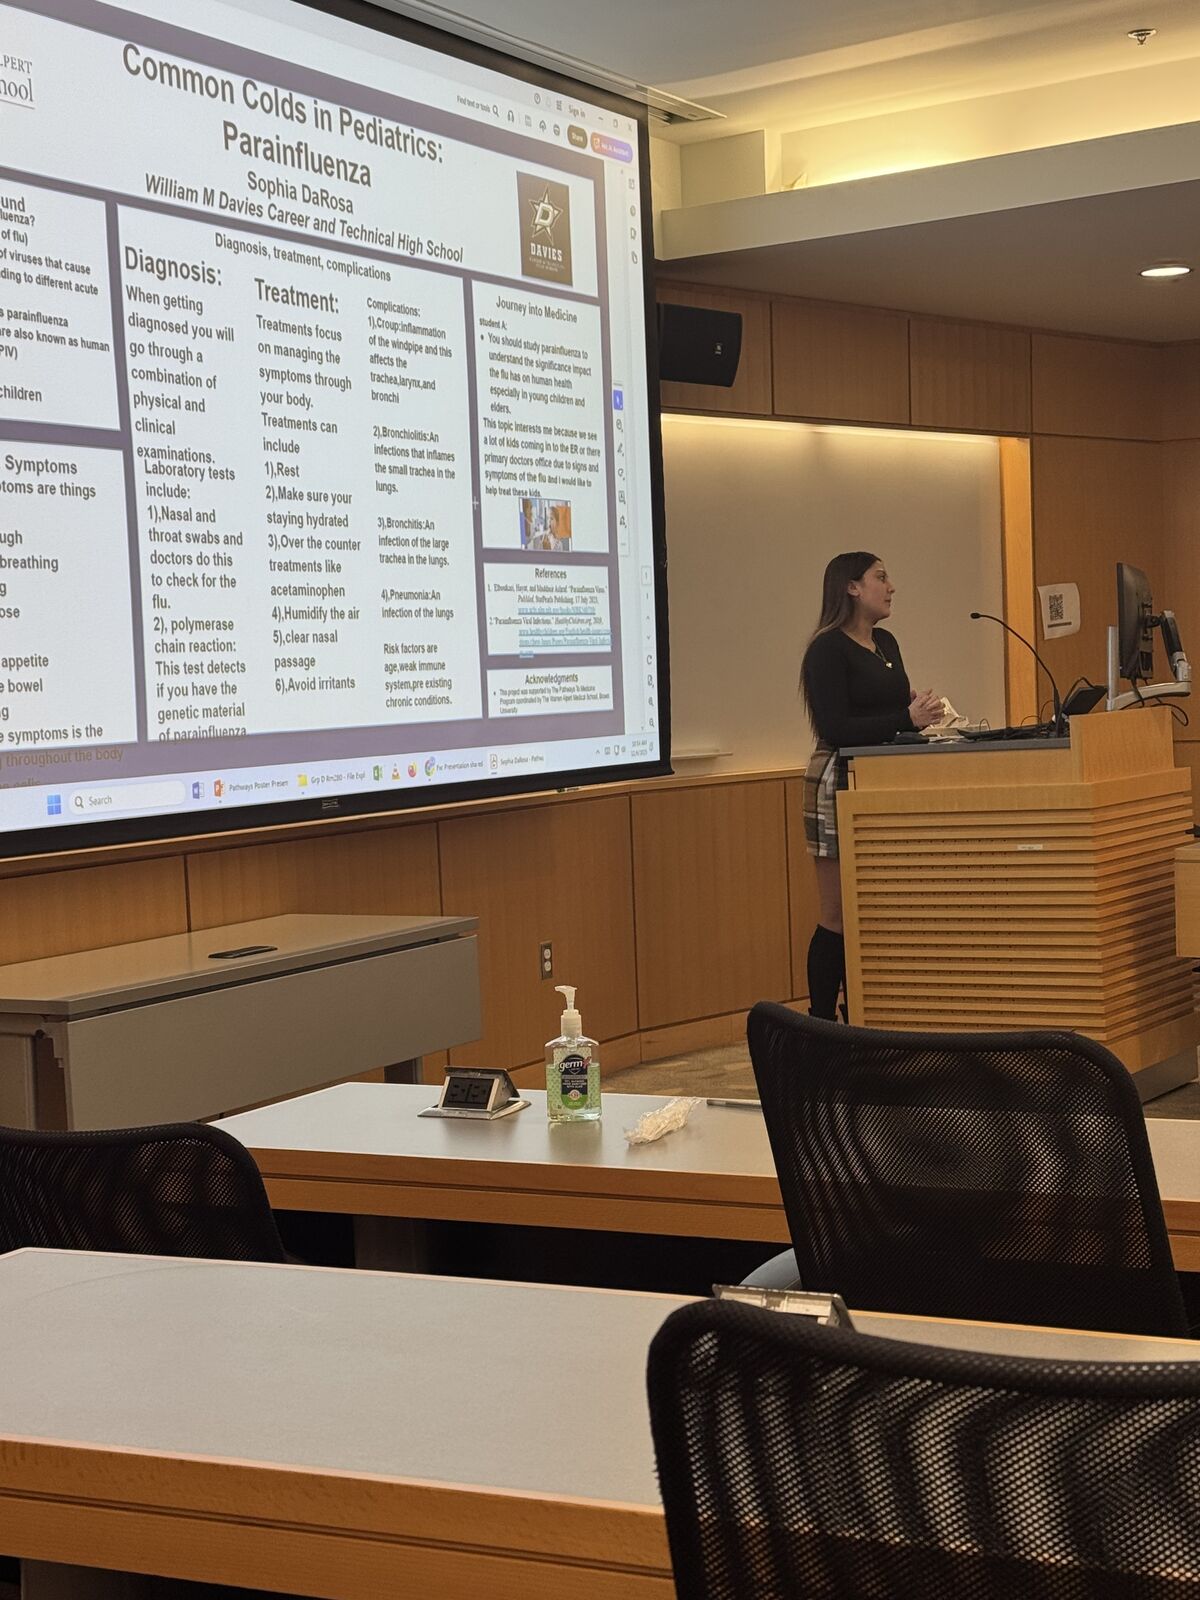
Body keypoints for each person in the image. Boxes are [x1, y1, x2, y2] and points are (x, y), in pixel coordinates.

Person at [800, 552, 943, 1019]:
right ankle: (822, 1025)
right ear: (852, 587)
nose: (891, 586)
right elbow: (836, 726)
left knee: (877, 912)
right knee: (838, 915)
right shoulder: (827, 649)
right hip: (838, 779)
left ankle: (867, 1014)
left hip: (882, 782)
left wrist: (918, 711)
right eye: (880, 577)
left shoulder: (886, 643)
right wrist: (905, 717)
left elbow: (889, 711)